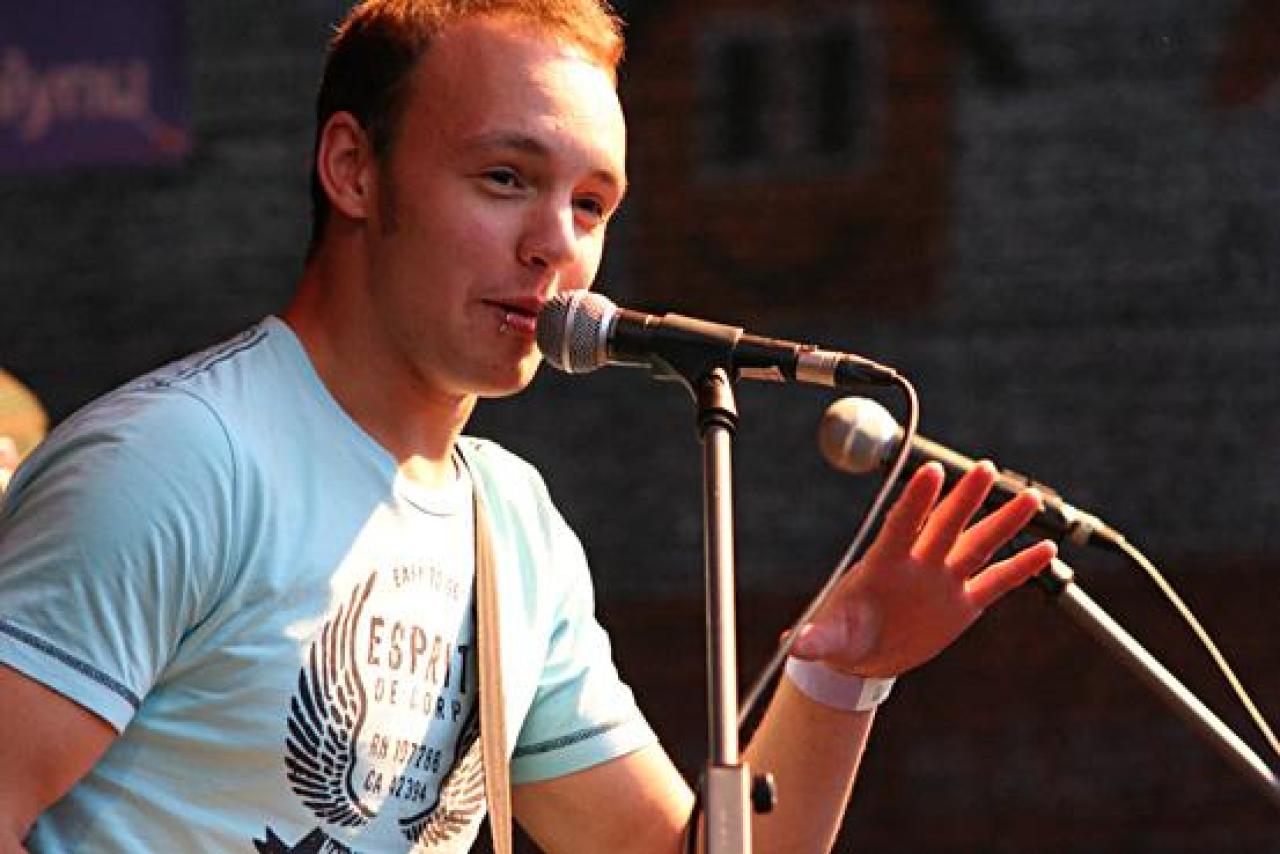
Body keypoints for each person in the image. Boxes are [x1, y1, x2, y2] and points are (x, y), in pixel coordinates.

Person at [0, 2, 1057, 852]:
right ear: (353, 168)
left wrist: (841, 674)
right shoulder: (178, 460)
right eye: (505, 178)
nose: (556, 245)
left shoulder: (511, 523)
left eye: (591, 204)